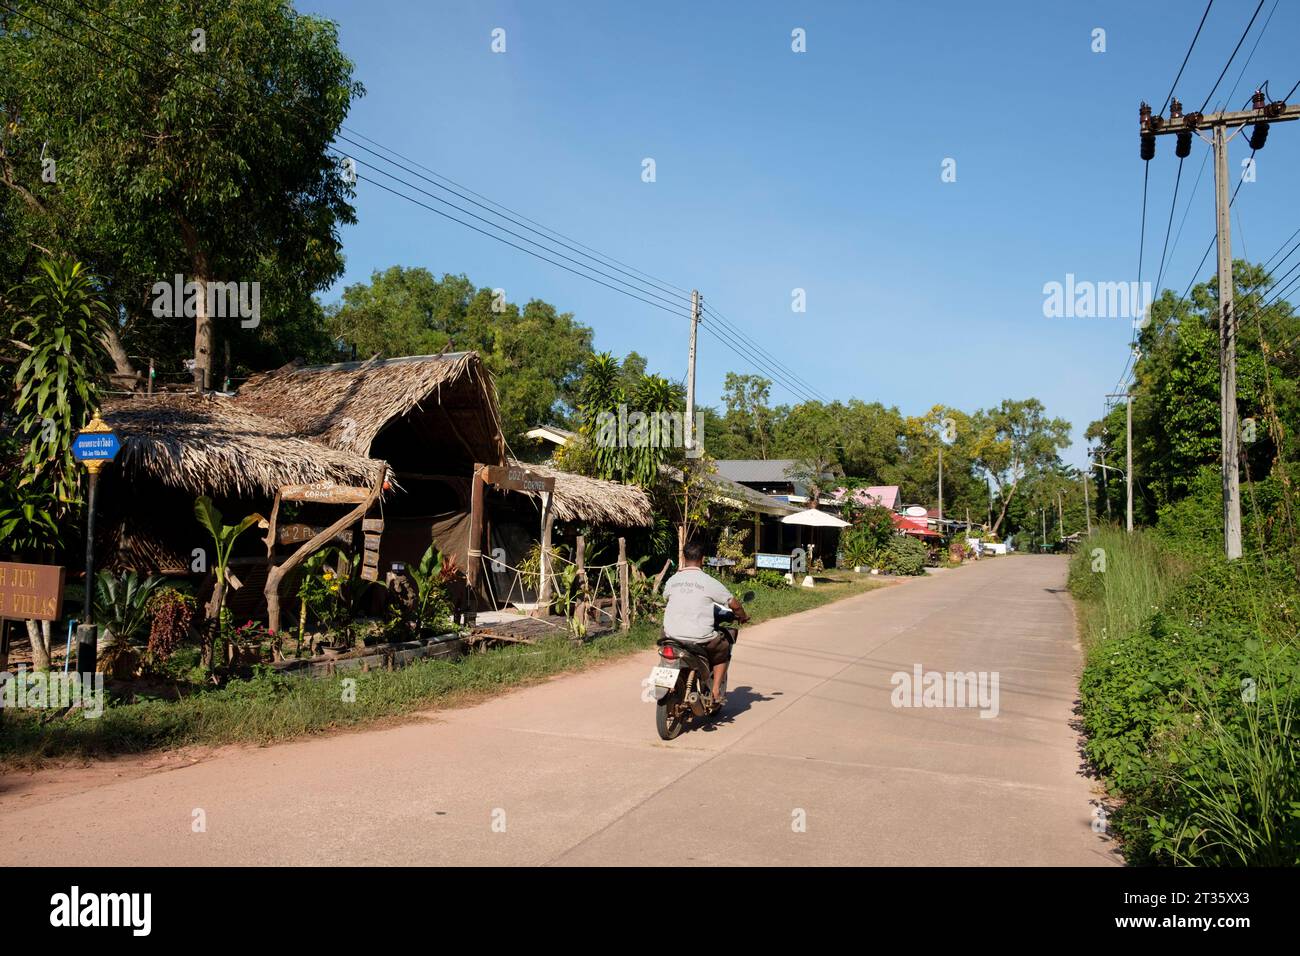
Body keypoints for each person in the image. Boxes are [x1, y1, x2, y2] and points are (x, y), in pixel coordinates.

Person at [661, 540, 749, 702]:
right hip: (699, 639)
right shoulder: (709, 581)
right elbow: (733, 603)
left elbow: (666, 597)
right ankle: (715, 691)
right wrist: (742, 616)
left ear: (683, 557)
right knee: (723, 650)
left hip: (670, 636)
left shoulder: (673, 580)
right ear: (702, 559)